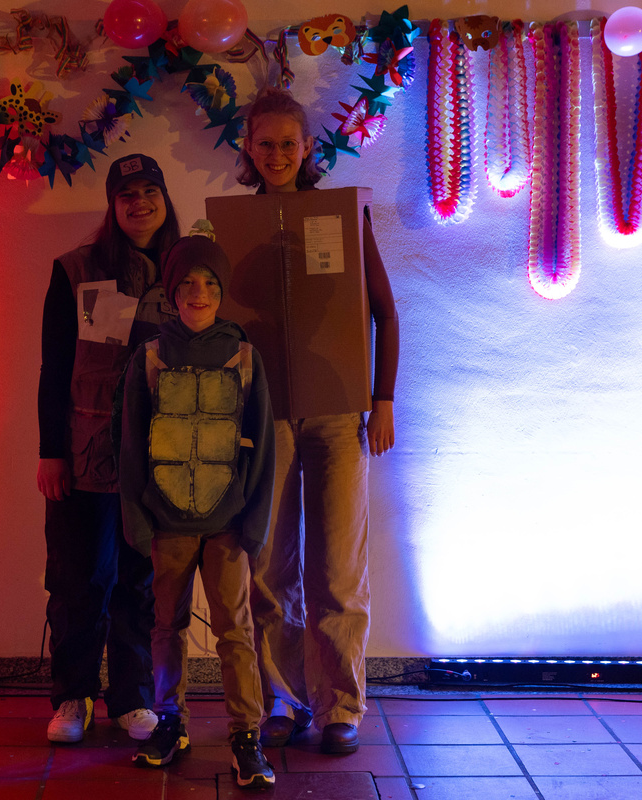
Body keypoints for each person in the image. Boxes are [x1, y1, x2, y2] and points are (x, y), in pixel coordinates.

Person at [237, 88, 399, 755]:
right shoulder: (233, 226)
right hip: (265, 415)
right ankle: (283, 699)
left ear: (306, 148)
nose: (277, 154)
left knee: (337, 569)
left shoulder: (340, 214)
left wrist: (382, 399)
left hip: (336, 413)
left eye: (288, 143)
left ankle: (340, 706)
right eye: (265, 143)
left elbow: (384, 311)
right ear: (247, 148)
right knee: (268, 567)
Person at [118, 232, 277, 789]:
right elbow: (131, 443)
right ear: (171, 291)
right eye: (186, 282)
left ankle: (246, 734)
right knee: (167, 626)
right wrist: (137, 518)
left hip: (228, 523)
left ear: (221, 290)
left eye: (209, 282)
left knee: (236, 630)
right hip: (167, 523)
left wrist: (254, 521)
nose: (198, 292)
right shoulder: (150, 357)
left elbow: (263, 446)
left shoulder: (245, 357)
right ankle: (170, 721)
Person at [36, 153, 181, 744]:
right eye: (127, 195)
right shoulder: (76, 270)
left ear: (165, 199)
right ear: (112, 205)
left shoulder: (186, 272)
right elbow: (54, 367)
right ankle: (73, 698)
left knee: (138, 583)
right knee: (78, 580)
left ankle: (132, 699)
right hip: (84, 453)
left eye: (150, 192)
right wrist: (51, 450)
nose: (139, 203)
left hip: (157, 458)